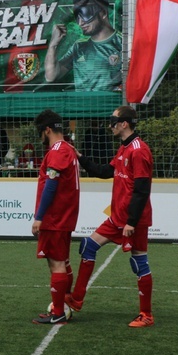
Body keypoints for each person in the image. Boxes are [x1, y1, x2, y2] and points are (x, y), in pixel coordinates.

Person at [66, 105, 155, 328]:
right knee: (87, 246)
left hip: (132, 220)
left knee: (139, 263)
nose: (110, 125)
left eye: (113, 121)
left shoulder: (139, 150)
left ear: (124, 123)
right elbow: (106, 172)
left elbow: (142, 190)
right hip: (117, 218)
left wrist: (131, 222)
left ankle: (146, 315)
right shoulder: (124, 148)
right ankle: (76, 299)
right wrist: (80, 158)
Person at [30, 110, 80, 324]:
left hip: (55, 217)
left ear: (47, 130)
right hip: (64, 216)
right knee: (63, 261)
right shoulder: (68, 148)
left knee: (56, 264)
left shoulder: (58, 151)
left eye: (40, 132)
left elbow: (51, 185)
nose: (40, 137)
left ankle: (58, 312)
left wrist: (39, 217)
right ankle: (64, 302)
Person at [45, 0, 122, 92]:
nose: (81, 23)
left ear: (103, 13)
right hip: (82, 104)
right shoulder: (79, 46)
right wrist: (53, 45)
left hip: (110, 104)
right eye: (77, 16)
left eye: (86, 14)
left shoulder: (123, 44)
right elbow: (50, 76)